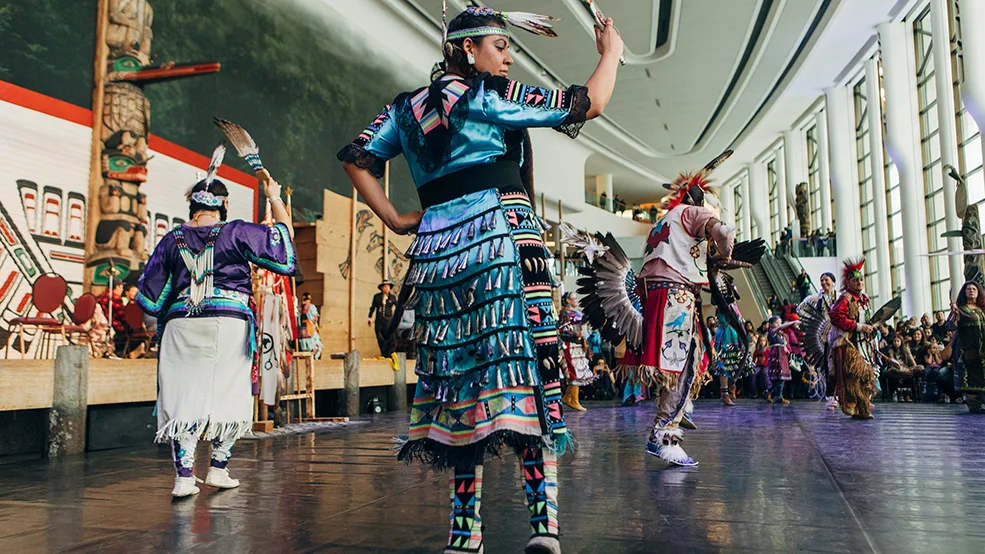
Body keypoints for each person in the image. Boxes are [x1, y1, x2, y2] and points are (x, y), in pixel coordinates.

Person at [337, 5, 622, 552]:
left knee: (459, 386)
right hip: (506, 245)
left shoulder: (406, 107)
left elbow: (356, 157)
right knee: (532, 376)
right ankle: (544, 529)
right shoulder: (490, 95)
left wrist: (396, 218)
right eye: (500, 46)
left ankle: (463, 534)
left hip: (443, 259)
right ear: (467, 50)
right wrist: (610, 54)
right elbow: (589, 102)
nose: (509, 56)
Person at [136, 157, 296, 498]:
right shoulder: (236, 231)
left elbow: (149, 298)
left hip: (182, 324)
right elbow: (284, 242)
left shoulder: (171, 239)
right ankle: (218, 469)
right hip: (228, 321)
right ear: (223, 206)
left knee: (183, 397)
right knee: (230, 393)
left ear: (191, 204)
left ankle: (183, 477)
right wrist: (274, 197)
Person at [617, 152, 736, 467]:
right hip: (676, 299)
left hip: (658, 297)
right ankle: (664, 434)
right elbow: (720, 230)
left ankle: (671, 420)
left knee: (677, 367)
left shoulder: (664, 220)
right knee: (681, 368)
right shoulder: (693, 214)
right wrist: (724, 243)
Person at [828, 259, 878, 420]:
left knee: (866, 376)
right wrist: (858, 327)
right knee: (853, 375)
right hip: (847, 343)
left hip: (863, 344)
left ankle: (862, 408)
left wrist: (869, 330)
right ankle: (849, 402)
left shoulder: (864, 299)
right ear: (848, 282)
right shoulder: (845, 299)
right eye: (855, 280)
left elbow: (868, 320)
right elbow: (836, 317)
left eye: (861, 279)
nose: (859, 282)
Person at [798, 272, 837, 405]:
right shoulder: (816, 298)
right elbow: (800, 309)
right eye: (821, 281)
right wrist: (811, 320)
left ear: (833, 281)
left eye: (826, 280)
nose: (824, 283)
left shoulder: (840, 297)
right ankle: (830, 396)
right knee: (827, 366)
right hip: (824, 337)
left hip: (839, 335)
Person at [949, 281, 985, 413]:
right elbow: (952, 325)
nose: (971, 290)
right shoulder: (961, 309)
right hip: (967, 348)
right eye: (968, 289)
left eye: (974, 288)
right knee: (971, 376)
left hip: (982, 348)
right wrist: (954, 313)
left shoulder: (982, 308)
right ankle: (973, 405)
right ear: (964, 292)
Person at [559, 292, 595, 411]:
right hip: (569, 345)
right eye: (574, 298)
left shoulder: (577, 313)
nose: (576, 300)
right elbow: (561, 330)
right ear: (568, 300)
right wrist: (575, 333)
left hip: (577, 345)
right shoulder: (565, 313)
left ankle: (570, 397)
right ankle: (573, 399)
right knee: (574, 371)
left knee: (579, 371)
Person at [766, 316, 797, 404]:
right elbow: (780, 328)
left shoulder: (781, 334)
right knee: (778, 376)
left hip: (782, 355)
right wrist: (792, 322)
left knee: (781, 377)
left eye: (780, 322)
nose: (779, 325)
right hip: (776, 355)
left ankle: (776, 395)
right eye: (777, 323)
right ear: (771, 324)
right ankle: (771, 393)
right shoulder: (772, 332)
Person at [368, 281, 398, 358]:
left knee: (390, 336)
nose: (386, 288)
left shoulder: (392, 297)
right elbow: (373, 307)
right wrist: (370, 317)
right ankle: (384, 352)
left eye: (388, 287)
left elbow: (398, 307)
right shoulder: (377, 297)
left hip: (389, 319)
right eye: (385, 287)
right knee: (380, 336)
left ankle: (390, 353)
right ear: (381, 288)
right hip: (379, 319)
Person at [96, 282, 126, 357]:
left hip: (100, 324)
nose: (122, 289)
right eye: (122, 287)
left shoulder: (99, 296)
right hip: (113, 324)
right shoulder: (115, 298)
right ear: (117, 286)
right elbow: (122, 315)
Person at [299, 292, 323, 359]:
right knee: (312, 342)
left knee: (306, 343)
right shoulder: (310, 306)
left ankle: (310, 353)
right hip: (308, 326)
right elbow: (315, 318)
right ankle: (313, 353)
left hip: (304, 326)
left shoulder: (301, 307)